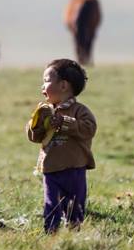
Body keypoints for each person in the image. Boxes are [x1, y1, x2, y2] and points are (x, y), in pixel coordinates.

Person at [26, 59, 97, 233]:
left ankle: (74, 230)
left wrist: (64, 122)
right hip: (50, 168)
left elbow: (89, 129)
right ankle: (51, 232)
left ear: (64, 85)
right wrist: (35, 126)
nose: (42, 86)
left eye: (46, 81)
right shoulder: (45, 111)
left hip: (74, 168)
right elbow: (36, 137)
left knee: (75, 205)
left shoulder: (79, 111)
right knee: (51, 203)